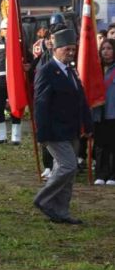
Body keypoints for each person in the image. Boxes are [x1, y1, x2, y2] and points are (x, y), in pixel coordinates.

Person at [33, 28, 92, 225]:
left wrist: (88, 124)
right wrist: (41, 133)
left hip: (71, 130)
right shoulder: (47, 71)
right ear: (56, 49)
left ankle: (61, 211)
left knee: (69, 172)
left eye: (73, 49)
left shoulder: (71, 71)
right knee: (68, 166)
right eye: (67, 49)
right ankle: (43, 198)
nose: (71, 52)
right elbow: (40, 104)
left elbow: (80, 99)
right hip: (54, 131)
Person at [0, 18, 27, 145]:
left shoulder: (19, 43)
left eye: (8, 28)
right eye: (4, 29)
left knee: (15, 108)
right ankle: (1, 136)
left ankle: (16, 137)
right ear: (1, 31)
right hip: (0, 80)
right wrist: (3, 68)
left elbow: (28, 58)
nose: (6, 31)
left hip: (14, 81)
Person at [93, 38, 115, 186]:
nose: (106, 51)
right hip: (98, 113)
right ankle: (101, 173)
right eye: (103, 49)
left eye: (109, 48)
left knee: (113, 145)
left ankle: (113, 175)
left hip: (113, 113)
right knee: (100, 145)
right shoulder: (95, 69)